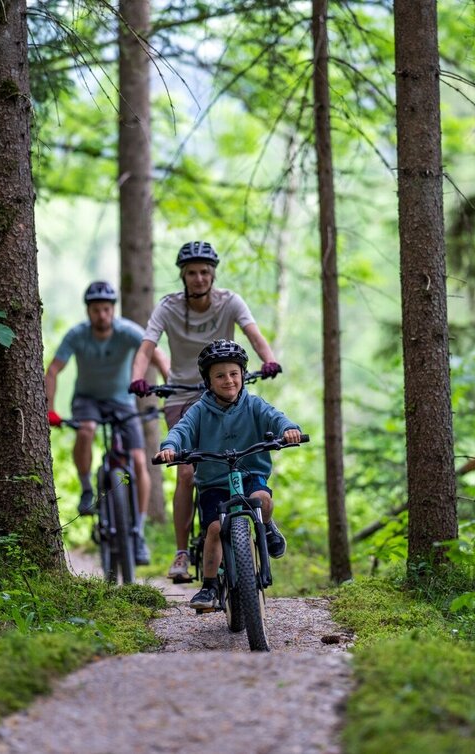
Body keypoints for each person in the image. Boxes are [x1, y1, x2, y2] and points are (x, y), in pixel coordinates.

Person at [128, 240, 282, 583]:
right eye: (192, 273)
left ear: (213, 275)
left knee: (238, 457)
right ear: (183, 276)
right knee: (186, 473)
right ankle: (182, 552)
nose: (199, 278)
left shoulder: (230, 302)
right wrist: (137, 378)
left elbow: (252, 333)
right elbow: (147, 346)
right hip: (183, 394)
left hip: (224, 389)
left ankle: (253, 524)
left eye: (204, 272)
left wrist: (268, 358)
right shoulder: (168, 307)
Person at [154, 339, 301, 610]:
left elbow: (275, 417)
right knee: (213, 529)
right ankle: (209, 586)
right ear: (208, 381)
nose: (228, 381)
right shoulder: (199, 410)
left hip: (249, 473)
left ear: (243, 375)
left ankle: (266, 527)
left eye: (234, 374)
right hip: (213, 483)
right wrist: (170, 447)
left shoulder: (254, 405)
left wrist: (288, 429)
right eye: (220, 376)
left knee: (262, 500)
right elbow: (181, 430)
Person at [46, 280, 169, 565]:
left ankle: (137, 532)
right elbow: (53, 370)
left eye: (106, 309)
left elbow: (157, 356)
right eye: (96, 310)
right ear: (88, 312)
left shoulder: (127, 332)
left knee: (139, 459)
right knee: (87, 430)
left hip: (122, 401)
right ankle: (87, 488)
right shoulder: (77, 335)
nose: (101, 315)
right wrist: (49, 409)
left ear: (113, 310)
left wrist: (169, 392)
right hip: (87, 400)